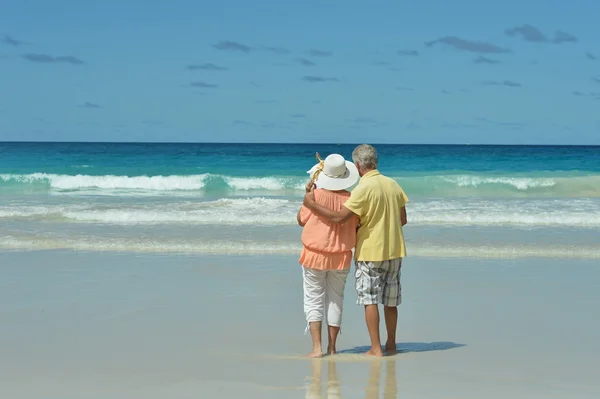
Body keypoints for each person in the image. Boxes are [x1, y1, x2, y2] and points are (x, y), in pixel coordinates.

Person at [303, 144, 408, 357]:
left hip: (371, 251)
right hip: (395, 250)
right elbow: (403, 219)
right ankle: (391, 344)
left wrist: (312, 205)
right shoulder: (393, 184)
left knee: (370, 300)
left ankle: (376, 348)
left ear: (359, 166)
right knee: (391, 300)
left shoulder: (362, 189)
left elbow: (339, 217)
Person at [297, 153, 360, 358]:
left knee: (314, 299)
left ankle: (317, 348)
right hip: (341, 255)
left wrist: (308, 198)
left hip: (314, 253)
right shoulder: (352, 199)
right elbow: (356, 224)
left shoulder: (315, 196)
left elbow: (301, 219)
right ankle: (332, 348)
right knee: (336, 299)